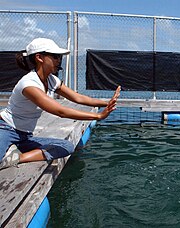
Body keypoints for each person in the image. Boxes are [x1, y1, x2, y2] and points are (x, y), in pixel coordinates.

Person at [0, 37, 121, 170]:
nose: (59, 60)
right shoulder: (29, 84)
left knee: (66, 147)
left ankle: (16, 157)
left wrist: (107, 103)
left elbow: (78, 98)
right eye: (55, 56)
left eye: (59, 57)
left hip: (25, 135)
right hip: (6, 129)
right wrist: (98, 116)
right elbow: (60, 111)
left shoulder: (51, 80)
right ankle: (9, 151)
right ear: (39, 57)